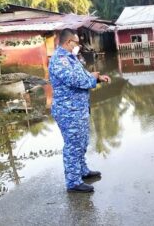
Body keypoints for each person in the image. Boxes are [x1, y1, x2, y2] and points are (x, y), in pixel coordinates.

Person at [48, 28, 111, 193]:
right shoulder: (59, 60)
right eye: (77, 42)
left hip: (78, 109)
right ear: (68, 42)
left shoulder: (70, 58)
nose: (79, 46)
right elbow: (75, 80)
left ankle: (82, 171)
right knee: (73, 145)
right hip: (68, 111)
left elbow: (82, 76)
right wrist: (93, 77)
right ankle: (73, 182)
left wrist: (96, 77)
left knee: (82, 142)